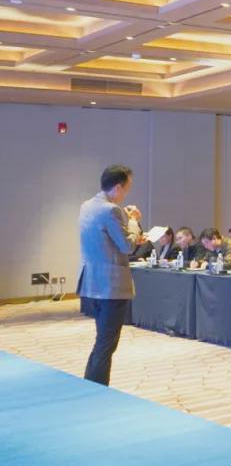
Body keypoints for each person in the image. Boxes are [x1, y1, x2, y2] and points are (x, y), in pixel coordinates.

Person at [77, 164, 138, 386]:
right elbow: (127, 246)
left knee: (102, 341)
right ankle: (96, 389)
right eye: (127, 188)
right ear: (118, 187)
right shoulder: (111, 210)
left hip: (92, 283)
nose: (126, 193)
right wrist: (133, 221)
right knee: (106, 344)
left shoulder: (86, 206)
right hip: (111, 286)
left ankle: (89, 384)